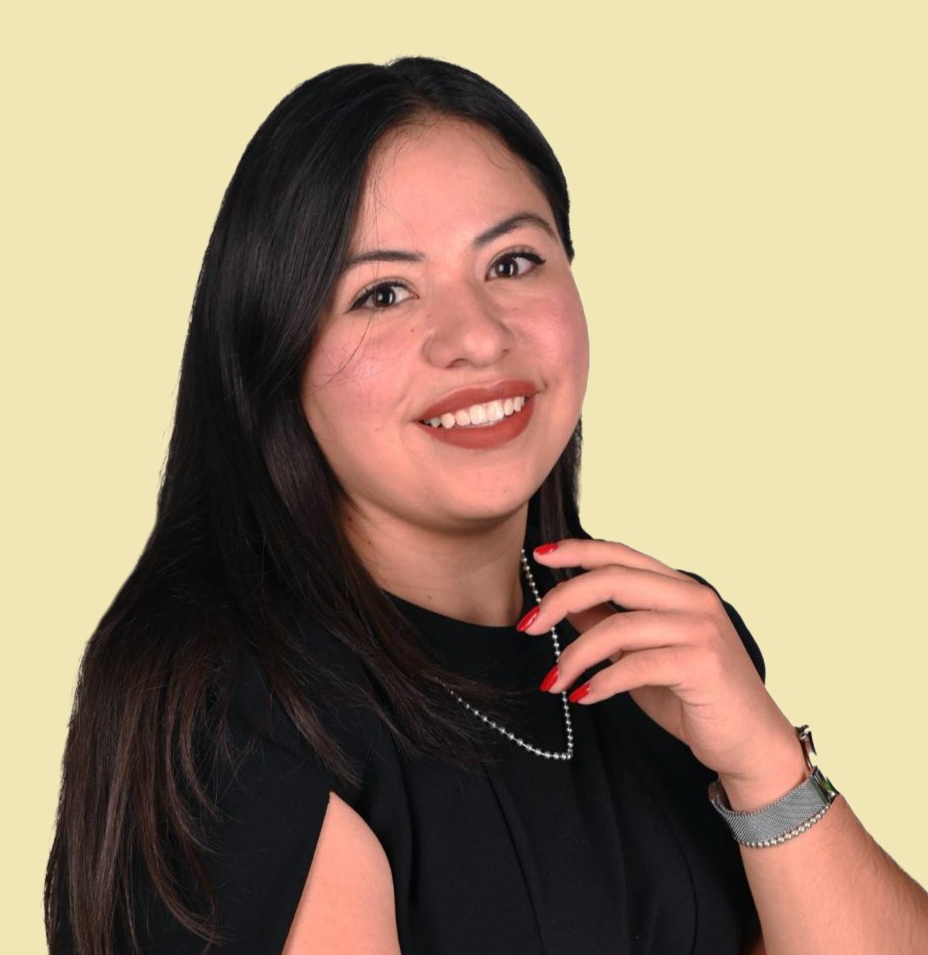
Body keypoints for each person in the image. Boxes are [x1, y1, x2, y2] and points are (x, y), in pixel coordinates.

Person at [45, 57, 928, 955]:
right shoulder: (233, 710)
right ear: (274, 354)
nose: (476, 336)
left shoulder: (670, 651)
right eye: (382, 292)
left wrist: (766, 766)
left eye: (512, 262)